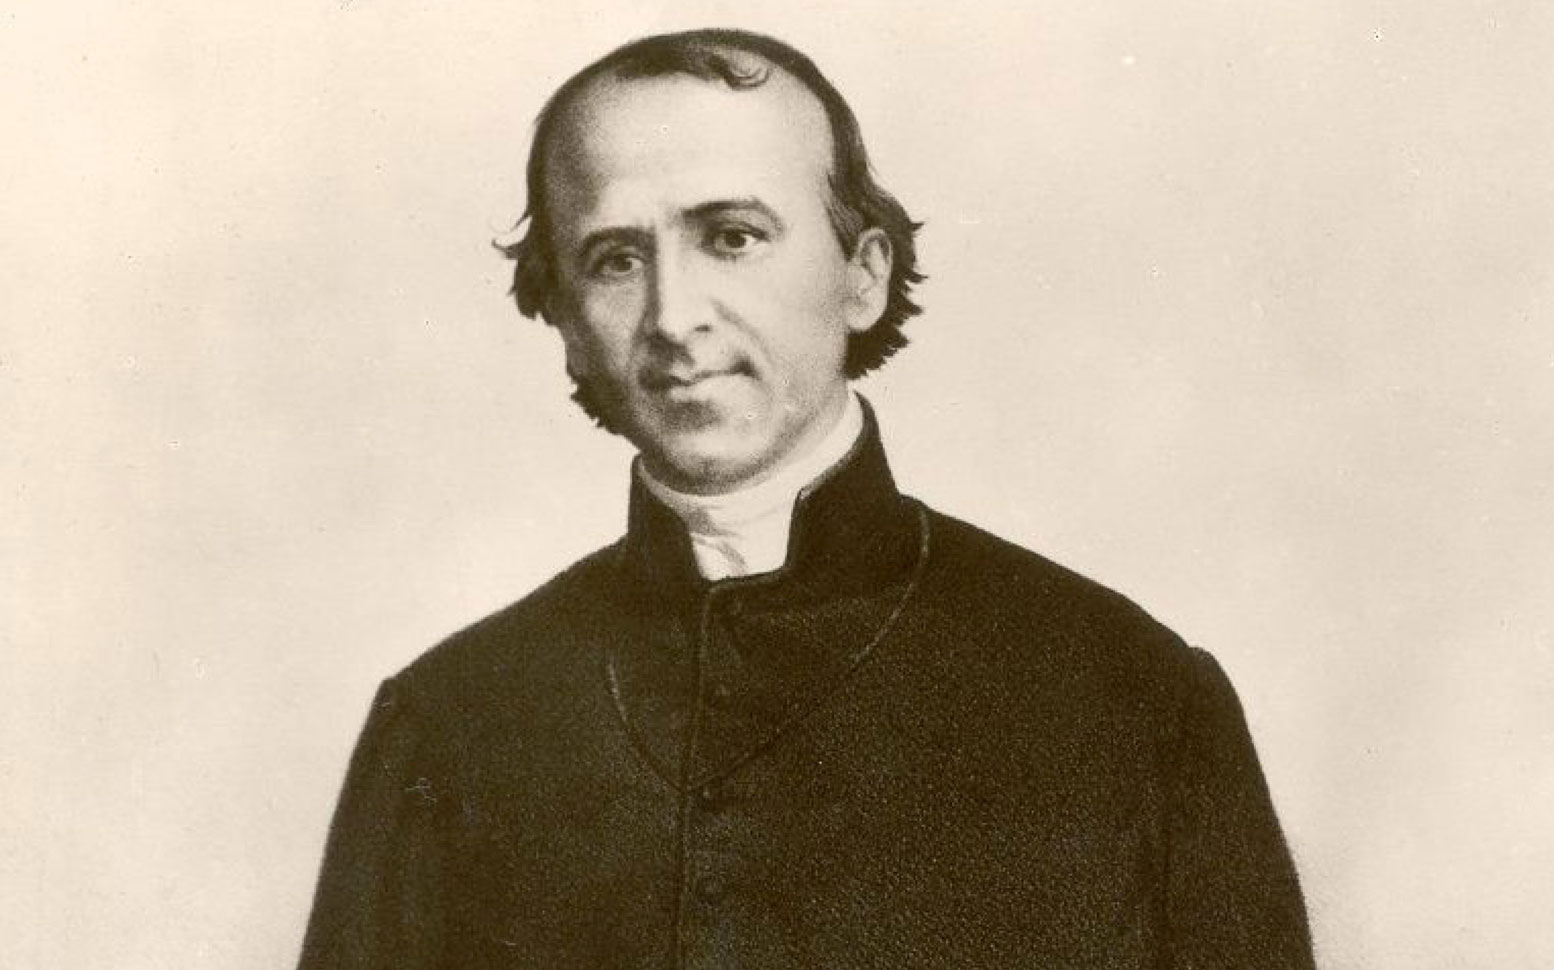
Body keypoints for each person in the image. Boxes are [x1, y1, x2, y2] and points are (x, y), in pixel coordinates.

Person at [298, 28, 1315, 970]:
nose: (673, 317)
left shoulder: (1131, 694)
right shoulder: (449, 722)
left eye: (732, 237)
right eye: (616, 260)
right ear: (564, 320)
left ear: (862, 275)